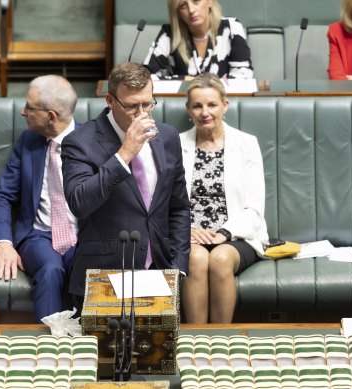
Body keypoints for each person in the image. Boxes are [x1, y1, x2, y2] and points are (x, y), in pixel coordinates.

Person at [61, 62, 190, 307]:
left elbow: (179, 207)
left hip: (159, 271)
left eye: (148, 104)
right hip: (105, 274)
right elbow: (79, 202)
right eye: (132, 106)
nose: (142, 114)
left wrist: (179, 266)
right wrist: (124, 154)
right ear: (110, 101)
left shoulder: (168, 136)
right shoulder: (79, 141)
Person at [0, 75, 78, 323]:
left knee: (84, 270)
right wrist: (3, 242)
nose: (22, 111)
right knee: (51, 270)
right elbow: (2, 196)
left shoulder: (90, 143)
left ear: (51, 116)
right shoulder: (28, 142)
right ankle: (48, 352)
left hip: (81, 235)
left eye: (30, 107)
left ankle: (85, 351)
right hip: (38, 234)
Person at [180, 73, 268, 323]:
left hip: (236, 235)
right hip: (191, 234)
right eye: (197, 105)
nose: (204, 112)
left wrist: (225, 233)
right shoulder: (176, 145)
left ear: (225, 106)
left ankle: (220, 339)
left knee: (219, 258)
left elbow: (254, 208)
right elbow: (165, 204)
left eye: (211, 104)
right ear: (188, 109)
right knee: (195, 258)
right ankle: (195, 343)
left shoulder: (247, 144)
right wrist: (186, 229)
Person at [143, 0, 252, 80]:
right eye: (183, 5)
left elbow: (243, 77)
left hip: (224, 105)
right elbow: (144, 77)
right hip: (182, 105)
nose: (191, 10)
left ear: (210, 2)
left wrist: (196, 83)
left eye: (196, 1)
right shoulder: (169, 34)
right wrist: (183, 79)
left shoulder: (231, 27)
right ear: (178, 12)